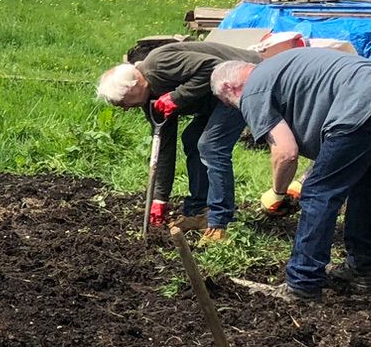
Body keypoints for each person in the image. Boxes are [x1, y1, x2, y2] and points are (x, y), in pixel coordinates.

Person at [210, 49, 371, 302]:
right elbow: (332, 151)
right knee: (369, 186)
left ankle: (302, 283)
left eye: (227, 104)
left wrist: (278, 193)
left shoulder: (253, 91)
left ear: (229, 88)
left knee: (319, 194)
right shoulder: (281, 71)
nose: (235, 109)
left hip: (363, 99)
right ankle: (362, 271)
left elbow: (286, 153)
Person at [95, 42, 257, 241]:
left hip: (244, 81)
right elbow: (164, 147)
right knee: (192, 138)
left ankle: (219, 222)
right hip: (217, 97)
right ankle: (199, 212)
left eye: (122, 102)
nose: (125, 109)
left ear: (135, 85)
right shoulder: (149, 100)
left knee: (211, 145)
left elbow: (212, 67)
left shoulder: (159, 64)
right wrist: (159, 198)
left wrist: (177, 97)